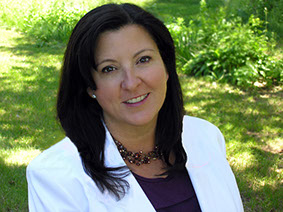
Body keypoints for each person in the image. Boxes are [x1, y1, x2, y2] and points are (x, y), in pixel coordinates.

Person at [26, 3, 244, 212]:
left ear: (167, 67)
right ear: (89, 86)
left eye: (143, 59)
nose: (131, 83)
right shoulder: (55, 176)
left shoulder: (206, 136)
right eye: (109, 69)